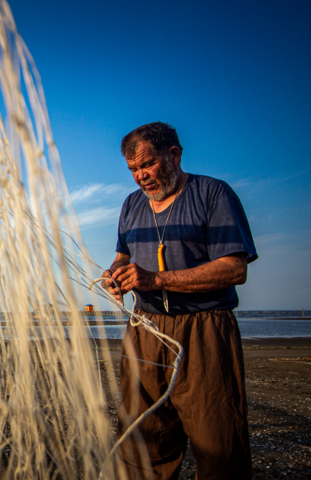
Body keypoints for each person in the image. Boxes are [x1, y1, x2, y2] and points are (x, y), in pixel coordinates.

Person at [103, 122, 257, 480]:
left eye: (147, 165)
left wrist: (157, 279)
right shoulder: (131, 205)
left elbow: (235, 269)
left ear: (174, 154)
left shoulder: (213, 194)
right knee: (143, 437)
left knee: (217, 439)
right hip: (145, 329)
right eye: (133, 170)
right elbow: (122, 256)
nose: (140, 177)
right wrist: (116, 274)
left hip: (204, 331)